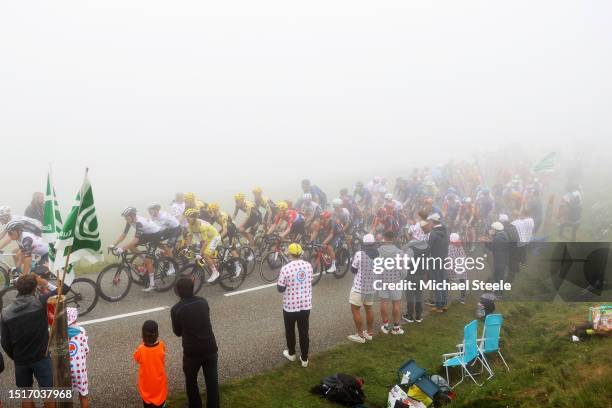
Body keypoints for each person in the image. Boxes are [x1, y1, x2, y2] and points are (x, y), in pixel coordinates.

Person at [1, 274, 55, 408]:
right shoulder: (40, 302)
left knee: (26, 396)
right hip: (41, 356)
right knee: (48, 394)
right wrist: (45, 283)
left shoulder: (5, 313)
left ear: (17, 288)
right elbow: (64, 288)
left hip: (21, 360)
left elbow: (5, 342)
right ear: (34, 288)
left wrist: (16, 357)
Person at [171, 277, 219, 408]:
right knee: (212, 382)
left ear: (178, 292)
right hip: (210, 347)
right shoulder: (203, 301)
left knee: (191, 382)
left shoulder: (176, 309)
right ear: (193, 289)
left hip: (192, 352)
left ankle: (195, 405)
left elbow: (178, 332)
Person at [277, 243, 313, 367]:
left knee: (290, 330)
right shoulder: (308, 266)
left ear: (289, 253)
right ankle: (304, 358)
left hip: (290, 306)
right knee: (304, 331)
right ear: (301, 253)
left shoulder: (286, 268)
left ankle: (291, 353)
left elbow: (280, 288)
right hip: (305, 305)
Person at [111, 207, 163, 292]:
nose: (125, 219)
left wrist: (123, 248)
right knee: (131, 246)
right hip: (147, 234)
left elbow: (136, 239)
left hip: (156, 235)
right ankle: (145, 259)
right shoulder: (130, 221)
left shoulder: (139, 222)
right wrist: (113, 245)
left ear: (132, 215)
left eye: (126, 217)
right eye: (125, 217)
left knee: (148, 260)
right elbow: (124, 235)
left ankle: (152, 284)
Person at [347, 234, 377, 343]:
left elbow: (353, 270)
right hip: (371, 286)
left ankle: (360, 334)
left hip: (359, 286)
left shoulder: (359, 254)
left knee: (355, 309)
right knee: (369, 308)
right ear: (374, 243)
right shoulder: (378, 254)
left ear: (363, 243)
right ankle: (369, 333)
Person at [183, 208, 224, 283]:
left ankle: (215, 272)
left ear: (194, 218)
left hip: (214, 237)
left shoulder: (201, 226)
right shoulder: (190, 224)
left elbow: (205, 242)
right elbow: (190, 236)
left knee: (204, 254)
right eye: (186, 218)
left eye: (188, 217)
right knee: (201, 253)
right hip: (207, 238)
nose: (187, 219)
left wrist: (200, 253)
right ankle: (214, 263)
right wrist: (187, 247)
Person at [134, 320, 168, 408]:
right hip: (159, 386)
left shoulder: (141, 349)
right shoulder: (161, 345)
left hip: (146, 388)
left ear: (143, 335)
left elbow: (136, 358)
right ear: (157, 333)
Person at [377, 230, 405, 335]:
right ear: (394, 239)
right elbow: (403, 270)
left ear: (384, 238)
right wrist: (402, 277)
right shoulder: (399, 252)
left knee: (383, 302)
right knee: (396, 303)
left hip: (383, 280)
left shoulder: (378, 251)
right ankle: (396, 327)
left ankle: (385, 325)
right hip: (395, 280)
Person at [425, 213, 450, 312]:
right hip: (443, 259)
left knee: (436, 282)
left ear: (432, 222)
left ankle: (439, 306)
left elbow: (428, 248)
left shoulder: (433, 233)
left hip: (435, 260)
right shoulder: (446, 232)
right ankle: (443, 303)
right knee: (442, 282)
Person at [402, 232, 428, 323]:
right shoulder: (427, 248)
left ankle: (409, 316)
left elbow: (405, 263)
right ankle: (418, 316)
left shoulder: (411, 249)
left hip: (411, 275)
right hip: (422, 274)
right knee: (419, 295)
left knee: (410, 295)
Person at [67, 307, 90, 408]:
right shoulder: (81, 331)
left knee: (68, 397)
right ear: (75, 318)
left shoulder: (60, 333)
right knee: (83, 395)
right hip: (79, 370)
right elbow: (86, 350)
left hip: (66, 370)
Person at [485, 222, 510, 296]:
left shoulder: (497, 238)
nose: (491, 230)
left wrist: (486, 242)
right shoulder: (504, 234)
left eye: (492, 229)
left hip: (499, 260)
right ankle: (500, 292)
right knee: (501, 276)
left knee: (497, 277)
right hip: (504, 258)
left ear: (496, 230)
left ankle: (497, 293)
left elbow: (491, 248)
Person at [447, 233, 467, 304]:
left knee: (447, 280)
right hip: (461, 266)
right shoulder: (460, 246)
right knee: (462, 281)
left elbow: (449, 259)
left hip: (453, 267)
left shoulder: (449, 247)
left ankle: (446, 296)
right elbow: (464, 256)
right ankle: (463, 298)